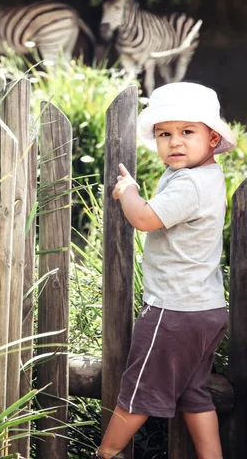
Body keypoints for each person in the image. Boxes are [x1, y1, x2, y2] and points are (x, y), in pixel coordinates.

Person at [96, 82, 237, 459]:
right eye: (164, 133)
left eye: (187, 132)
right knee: (195, 395)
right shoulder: (205, 175)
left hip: (174, 312)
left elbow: (143, 217)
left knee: (137, 391)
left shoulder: (190, 183)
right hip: (205, 310)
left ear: (211, 138)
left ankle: (106, 453)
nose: (174, 142)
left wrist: (128, 190)